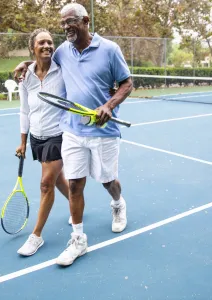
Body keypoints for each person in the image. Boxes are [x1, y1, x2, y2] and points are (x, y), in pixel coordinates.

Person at [14, 3, 133, 266]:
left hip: (104, 131)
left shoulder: (110, 50)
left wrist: (108, 105)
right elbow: (42, 60)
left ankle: (117, 203)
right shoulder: (62, 52)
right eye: (63, 23)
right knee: (76, 184)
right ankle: (78, 239)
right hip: (72, 131)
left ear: (86, 20)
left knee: (107, 180)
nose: (66, 27)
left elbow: (127, 83)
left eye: (71, 22)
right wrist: (27, 63)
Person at [15, 28, 71, 257]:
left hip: (59, 134)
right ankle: (75, 202)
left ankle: (36, 236)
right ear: (33, 47)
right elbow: (24, 111)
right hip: (37, 137)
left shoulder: (63, 69)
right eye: (42, 43)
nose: (47, 46)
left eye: (50, 42)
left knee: (46, 183)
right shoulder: (25, 75)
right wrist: (23, 142)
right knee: (57, 180)